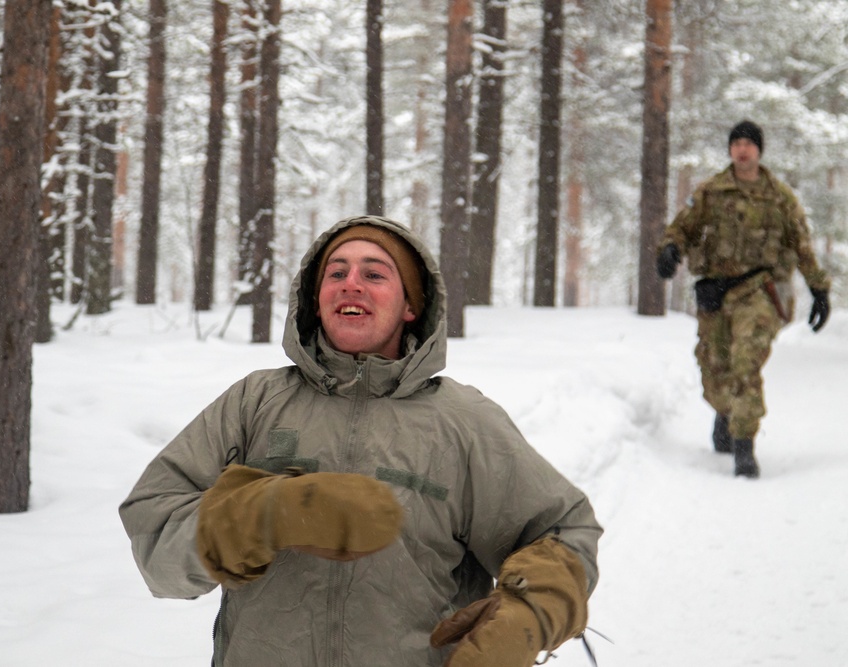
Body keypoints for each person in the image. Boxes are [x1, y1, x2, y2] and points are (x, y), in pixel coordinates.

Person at [120, 215, 602, 666]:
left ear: (411, 306)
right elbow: (155, 539)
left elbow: (563, 531)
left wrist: (530, 613)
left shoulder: (463, 422)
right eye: (336, 273)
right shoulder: (254, 403)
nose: (351, 283)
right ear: (316, 298)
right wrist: (254, 516)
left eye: (374, 274)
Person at [656, 120, 832, 478]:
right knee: (714, 367)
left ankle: (744, 446)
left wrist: (819, 288)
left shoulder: (779, 196)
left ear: (759, 150)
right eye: (736, 142)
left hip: (760, 291)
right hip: (715, 292)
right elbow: (682, 228)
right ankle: (725, 411)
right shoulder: (711, 191)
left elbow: (801, 244)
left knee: (745, 361)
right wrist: (670, 249)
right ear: (730, 149)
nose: (742, 149)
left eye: (749, 143)